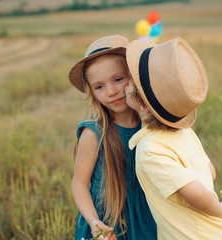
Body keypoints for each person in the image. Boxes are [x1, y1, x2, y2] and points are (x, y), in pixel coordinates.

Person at [124, 38, 222, 240]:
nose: (126, 81)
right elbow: (210, 172)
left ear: (145, 106)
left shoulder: (150, 149)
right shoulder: (185, 132)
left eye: (130, 81)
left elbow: (195, 192)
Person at [68, 35, 157, 240]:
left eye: (118, 79)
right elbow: (79, 184)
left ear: (133, 77)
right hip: (108, 222)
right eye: (99, 86)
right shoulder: (93, 133)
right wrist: (94, 222)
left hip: (149, 217)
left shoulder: (152, 123)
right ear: (91, 92)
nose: (111, 91)